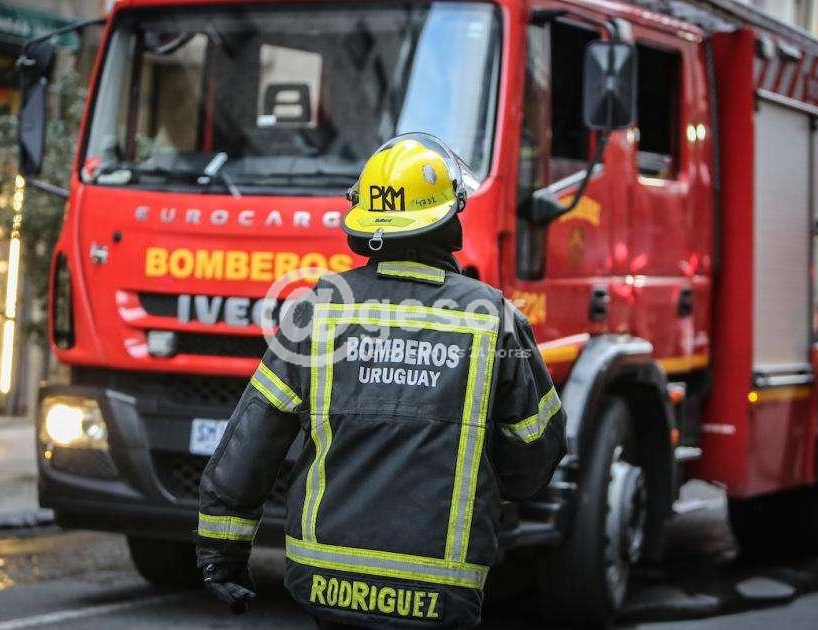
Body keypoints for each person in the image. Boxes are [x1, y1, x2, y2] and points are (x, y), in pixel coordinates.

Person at [196, 133, 566, 629]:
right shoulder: (492, 318)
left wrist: (221, 552)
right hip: (439, 591)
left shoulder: (318, 311)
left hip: (324, 580)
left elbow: (251, 443)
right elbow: (535, 457)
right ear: (448, 218)